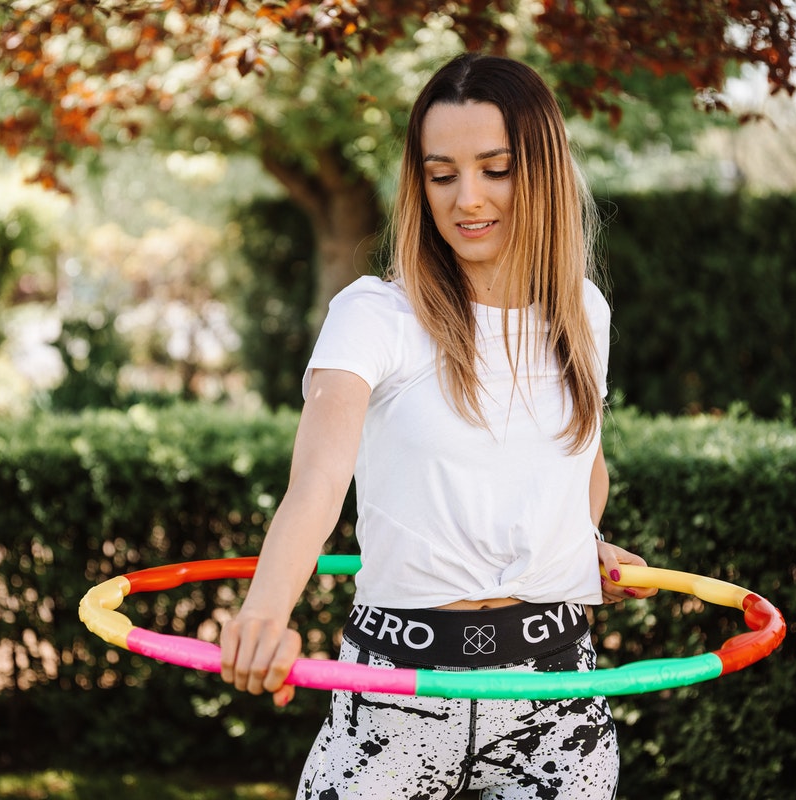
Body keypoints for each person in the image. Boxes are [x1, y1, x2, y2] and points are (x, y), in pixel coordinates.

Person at [220, 52, 657, 799]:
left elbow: (582, 465)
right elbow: (319, 480)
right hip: (398, 690)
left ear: (542, 171)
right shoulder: (375, 315)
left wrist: (574, 544)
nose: (468, 199)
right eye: (441, 173)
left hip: (554, 689)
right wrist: (264, 609)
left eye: (496, 168)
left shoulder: (583, 312)